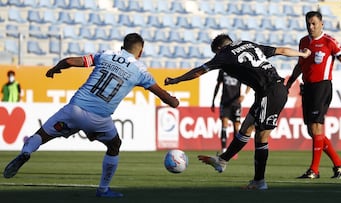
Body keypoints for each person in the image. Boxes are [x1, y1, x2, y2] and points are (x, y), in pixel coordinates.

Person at [3, 33, 179, 198]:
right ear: (140, 52)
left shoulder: (106, 55)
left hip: (74, 109)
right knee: (114, 145)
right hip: (100, 120)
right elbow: (163, 96)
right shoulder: (141, 71)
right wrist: (173, 101)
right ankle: (103, 189)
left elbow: (70, 61)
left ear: (122, 47)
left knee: (42, 135)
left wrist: (56, 69)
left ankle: (26, 152)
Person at [165, 34, 311, 190]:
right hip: (272, 90)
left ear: (219, 49)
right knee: (246, 127)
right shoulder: (249, 44)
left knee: (261, 137)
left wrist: (177, 80)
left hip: (270, 92)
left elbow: (199, 71)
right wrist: (302, 54)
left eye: (216, 53)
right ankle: (223, 160)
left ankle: (259, 182)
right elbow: (281, 50)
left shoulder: (224, 54)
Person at [285, 11, 341, 179]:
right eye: (308, 23)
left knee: (316, 127)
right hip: (307, 87)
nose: (311, 26)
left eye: (314, 23)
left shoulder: (329, 42)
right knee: (312, 131)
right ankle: (339, 164)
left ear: (322, 24)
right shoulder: (303, 42)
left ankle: (314, 170)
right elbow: (300, 65)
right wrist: (290, 82)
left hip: (322, 87)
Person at [211, 69, 250, 157]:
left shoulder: (240, 71)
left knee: (236, 127)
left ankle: (233, 150)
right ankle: (224, 149)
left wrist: (244, 95)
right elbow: (218, 85)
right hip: (225, 103)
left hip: (236, 103)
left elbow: (249, 84)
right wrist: (213, 100)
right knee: (224, 124)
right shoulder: (223, 70)